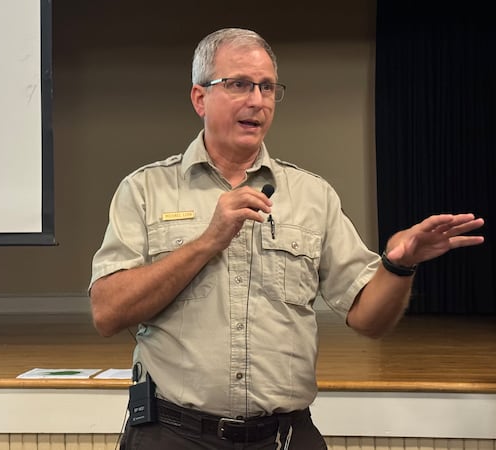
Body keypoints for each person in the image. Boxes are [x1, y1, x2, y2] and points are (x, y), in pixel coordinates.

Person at [88, 28, 484, 449]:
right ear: (200, 98)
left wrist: (398, 264)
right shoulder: (145, 190)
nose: (256, 100)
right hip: (173, 434)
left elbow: (369, 319)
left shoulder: (313, 195)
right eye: (238, 84)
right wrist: (208, 241)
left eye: (267, 87)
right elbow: (108, 312)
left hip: (285, 437)